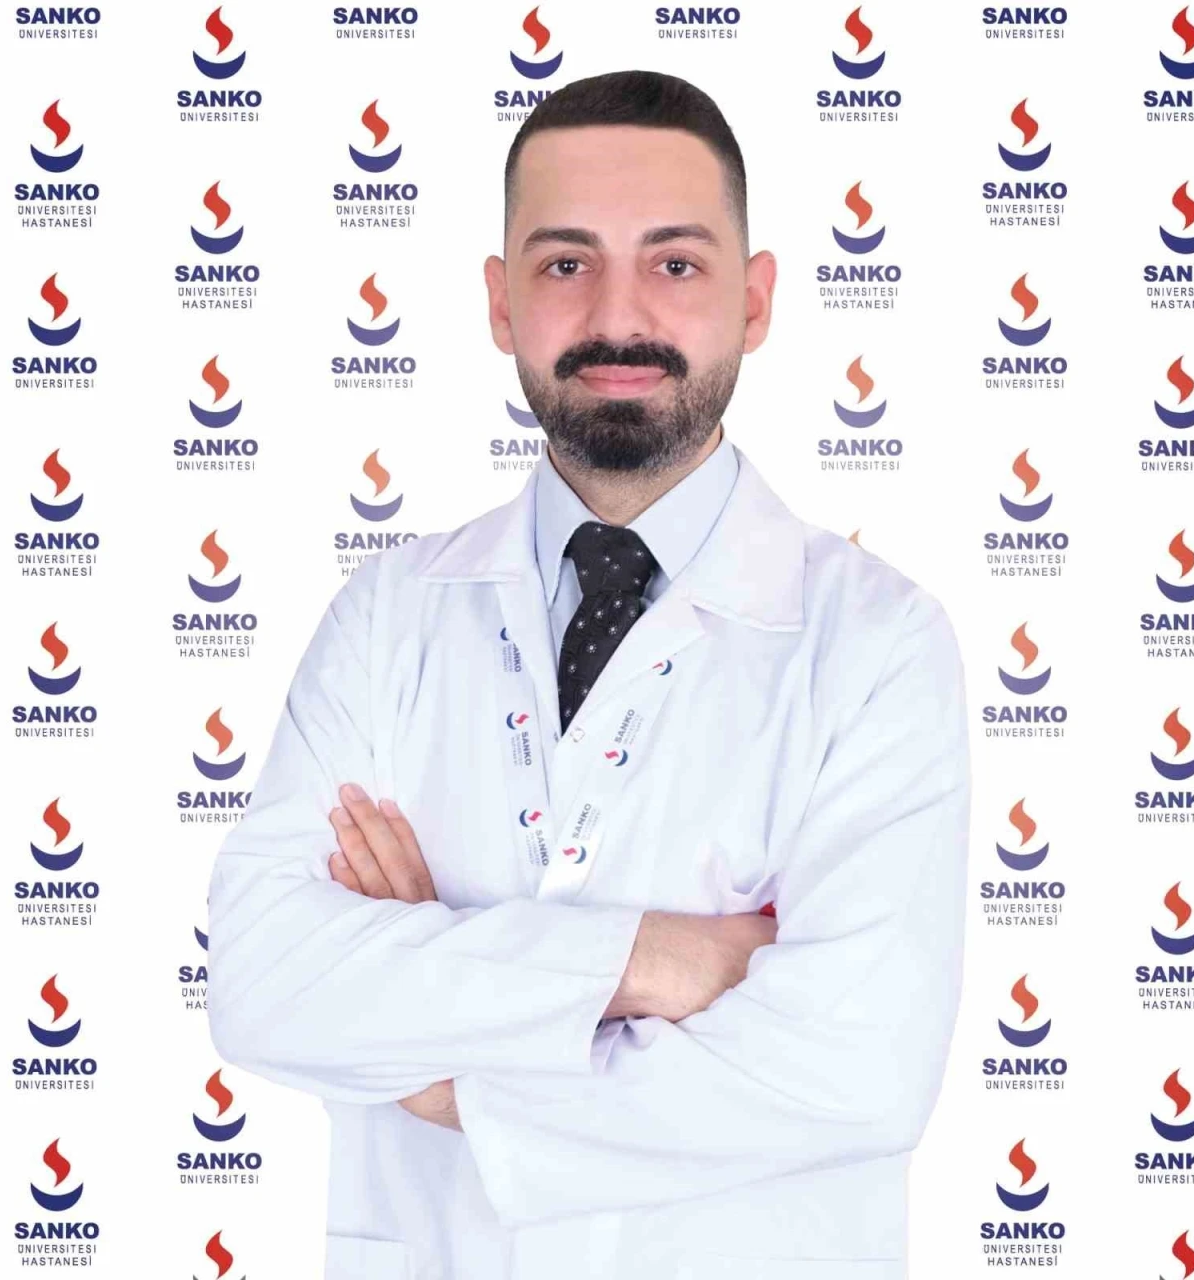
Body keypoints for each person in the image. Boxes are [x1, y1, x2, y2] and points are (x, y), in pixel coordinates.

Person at [206, 69, 971, 1280]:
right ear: (499, 301)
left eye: (675, 262)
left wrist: (450, 1068)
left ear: (754, 300)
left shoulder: (877, 643)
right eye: (565, 263)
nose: (619, 316)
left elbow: (853, 1065)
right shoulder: (389, 613)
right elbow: (261, 979)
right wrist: (654, 959)